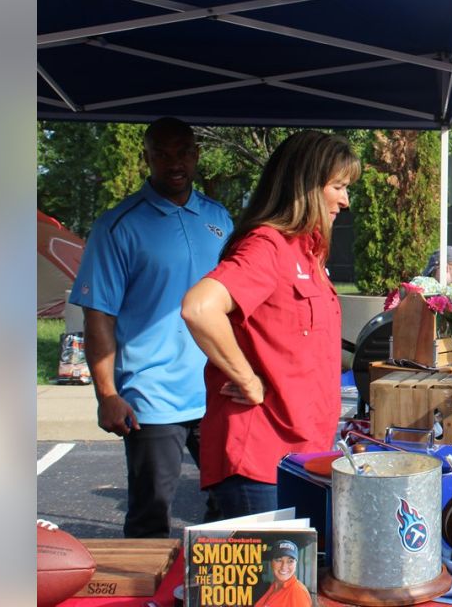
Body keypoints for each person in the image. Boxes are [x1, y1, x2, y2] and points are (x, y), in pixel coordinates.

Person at [181, 130, 360, 517]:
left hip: (302, 453)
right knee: (268, 579)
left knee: (295, 577)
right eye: (339, 187)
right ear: (308, 185)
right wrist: (246, 379)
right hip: (262, 461)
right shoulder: (268, 246)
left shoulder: (307, 252)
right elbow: (199, 308)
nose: (345, 201)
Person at [69, 117, 233, 538]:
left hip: (219, 388)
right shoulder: (117, 226)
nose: (173, 162)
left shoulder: (219, 219)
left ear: (197, 155)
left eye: (182, 152)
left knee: (234, 507)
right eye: (161, 153)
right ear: (147, 158)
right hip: (152, 396)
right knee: (150, 518)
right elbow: (98, 315)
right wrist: (107, 394)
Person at [253, 539, 312, 607]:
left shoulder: (298, 592)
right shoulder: (273, 587)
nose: (284, 567)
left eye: (290, 561)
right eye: (279, 560)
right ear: (271, 563)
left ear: (295, 564)